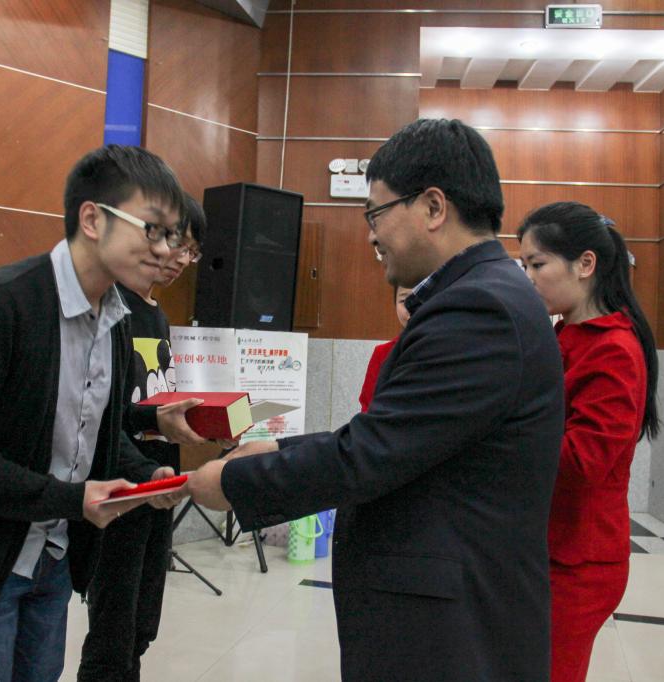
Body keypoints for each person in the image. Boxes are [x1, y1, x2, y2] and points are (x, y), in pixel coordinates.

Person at [188, 118, 565, 681]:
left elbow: (370, 454)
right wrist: (276, 450)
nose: (370, 235)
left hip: (450, 634)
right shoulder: (483, 296)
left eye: (375, 213)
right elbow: (399, 436)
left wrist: (234, 481)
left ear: (433, 207)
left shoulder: (478, 309)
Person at [0, 145, 200, 682]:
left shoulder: (118, 319)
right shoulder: (4, 304)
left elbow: (100, 433)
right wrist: (72, 499)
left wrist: (146, 471)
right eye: (153, 229)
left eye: (173, 236)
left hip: (56, 559)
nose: (165, 250)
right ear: (92, 219)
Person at [518, 202, 659, 682]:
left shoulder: (613, 348)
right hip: (547, 545)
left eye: (537, 264)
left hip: (578, 558)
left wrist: (500, 436)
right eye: (524, 266)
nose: (528, 278)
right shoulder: (566, 333)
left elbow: (583, 462)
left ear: (585, 264)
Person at [78, 193, 206, 681]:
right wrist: (145, 470)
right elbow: (101, 415)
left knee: (142, 625)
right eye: (175, 242)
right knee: (112, 630)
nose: (180, 258)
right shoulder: (111, 310)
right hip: (120, 486)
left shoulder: (157, 314)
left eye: (191, 251)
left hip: (159, 484)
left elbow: (155, 406)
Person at [358, 284, 411, 413]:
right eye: (403, 300)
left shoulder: (446, 350)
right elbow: (368, 405)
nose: (411, 306)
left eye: (421, 297)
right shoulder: (382, 353)